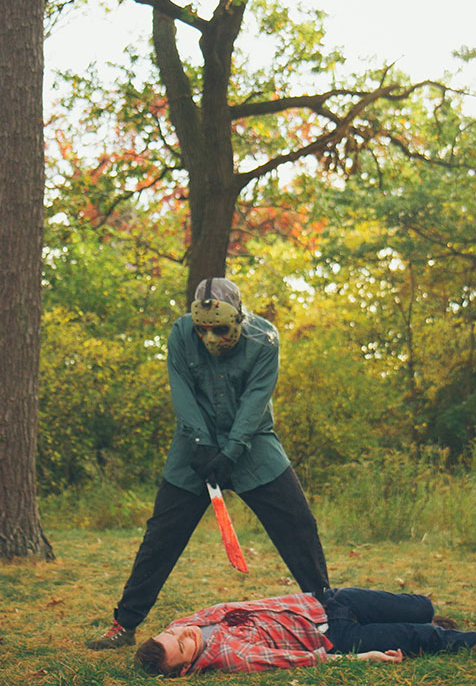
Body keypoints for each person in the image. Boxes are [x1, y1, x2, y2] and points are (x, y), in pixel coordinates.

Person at [86, 277, 330, 650]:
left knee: (298, 525)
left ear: (239, 319)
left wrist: (231, 451)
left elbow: (256, 400)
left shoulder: (264, 340)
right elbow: (180, 387)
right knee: (162, 536)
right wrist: (200, 444)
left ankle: (329, 614)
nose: (210, 338)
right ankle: (125, 623)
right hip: (193, 445)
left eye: (219, 329)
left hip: (252, 444)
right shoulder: (181, 334)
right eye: (203, 330)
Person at [131, 587, 476, 675]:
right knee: (431, 641)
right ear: (186, 669)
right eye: (182, 648)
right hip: (331, 638)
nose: (186, 636)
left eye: (176, 635)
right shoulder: (231, 656)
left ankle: (418, 621)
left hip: (326, 602)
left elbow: (176, 630)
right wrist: (359, 660)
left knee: (423, 606)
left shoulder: (186, 624)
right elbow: (300, 661)